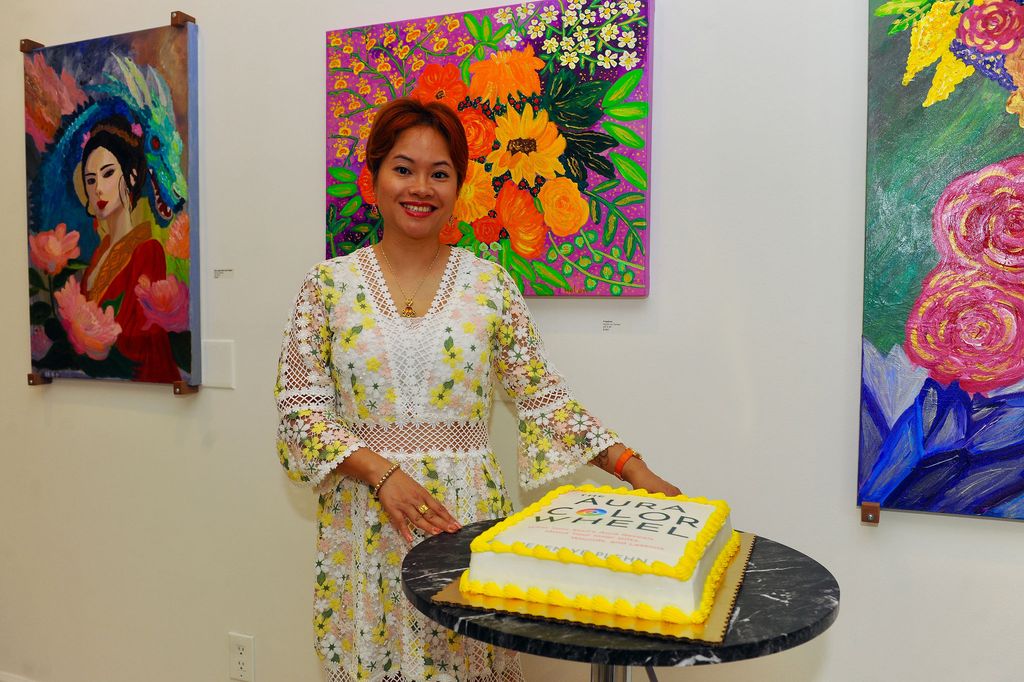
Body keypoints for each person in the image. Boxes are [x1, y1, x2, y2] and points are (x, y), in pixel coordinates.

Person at [275, 97, 680, 682]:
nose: (421, 187)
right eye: (403, 168)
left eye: (440, 173)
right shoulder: (327, 287)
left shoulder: (490, 285)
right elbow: (300, 414)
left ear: (459, 188)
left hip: (462, 522)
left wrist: (633, 468)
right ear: (374, 178)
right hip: (364, 520)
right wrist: (382, 473)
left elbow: (543, 398)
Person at [78, 115, 180, 382]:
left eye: (108, 173)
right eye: (90, 180)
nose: (98, 189)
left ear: (132, 176)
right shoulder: (100, 253)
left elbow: (138, 339)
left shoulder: (148, 251)